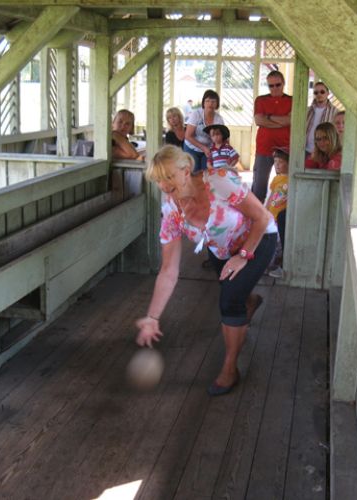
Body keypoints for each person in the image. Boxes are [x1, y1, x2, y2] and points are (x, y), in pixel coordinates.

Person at [136, 145, 277, 396]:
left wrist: (243, 256)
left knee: (229, 301)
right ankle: (249, 301)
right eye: (158, 180)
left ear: (186, 170)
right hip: (221, 251)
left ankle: (230, 370)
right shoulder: (172, 212)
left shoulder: (219, 182)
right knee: (235, 294)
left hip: (259, 239)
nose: (164, 185)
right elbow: (168, 270)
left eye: (169, 176)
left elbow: (262, 217)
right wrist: (153, 317)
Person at [252, 70, 292, 202]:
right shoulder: (261, 100)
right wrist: (281, 122)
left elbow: (290, 121)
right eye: (271, 85)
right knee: (259, 187)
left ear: (283, 83)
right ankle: (256, 214)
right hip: (264, 148)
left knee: (284, 186)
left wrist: (268, 117)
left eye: (278, 85)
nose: (275, 88)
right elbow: (259, 120)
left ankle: (281, 213)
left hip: (285, 149)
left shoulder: (291, 101)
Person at [184, 90, 224, 173]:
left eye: (213, 101)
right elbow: (188, 136)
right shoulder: (196, 114)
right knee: (194, 172)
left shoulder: (219, 119)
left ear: (217, 104)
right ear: (203, 103)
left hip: (209, 150)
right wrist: (203, 148)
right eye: (207, 101)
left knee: (207, 173)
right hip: (192, 147)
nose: (210, 104)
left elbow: (222, 139)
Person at [264, 147, 289, 279]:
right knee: (271, 241)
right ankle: (267, 264)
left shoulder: (291, 180)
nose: (277, 165)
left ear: (289, 163)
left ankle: (273, 264)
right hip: (272, 217)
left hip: (281, 218)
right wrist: (265, 210)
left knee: (277, 243)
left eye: (281, 162)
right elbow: (272, 195)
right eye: (275, 161)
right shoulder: (276, 179)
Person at [305, 82, 338, 156]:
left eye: (322, 92)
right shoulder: (307, 110)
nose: (319, 94)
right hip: (305, 150)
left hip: (324, 153)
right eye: (316, 92)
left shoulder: (335, 112)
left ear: (328, 93)